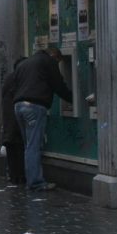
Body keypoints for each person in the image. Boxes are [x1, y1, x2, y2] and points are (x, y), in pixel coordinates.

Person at [12, 47, 72, 191]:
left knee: (28, 145)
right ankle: (36, 183)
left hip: (18, 106)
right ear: (54, 56)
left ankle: (31, 179)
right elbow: (58, 85)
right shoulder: (48, 61)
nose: (57, 65)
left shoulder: (24, 64)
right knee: (33, 146)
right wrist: (74, 99)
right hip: (34, 107)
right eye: (58, 62)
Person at [0, 57, 27, 185]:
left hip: (8, 119)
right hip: (16, 119)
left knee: (11, 147)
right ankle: (20, 175)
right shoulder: (20, 80)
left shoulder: (8, 79)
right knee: (20, 148)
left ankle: (13, 175)